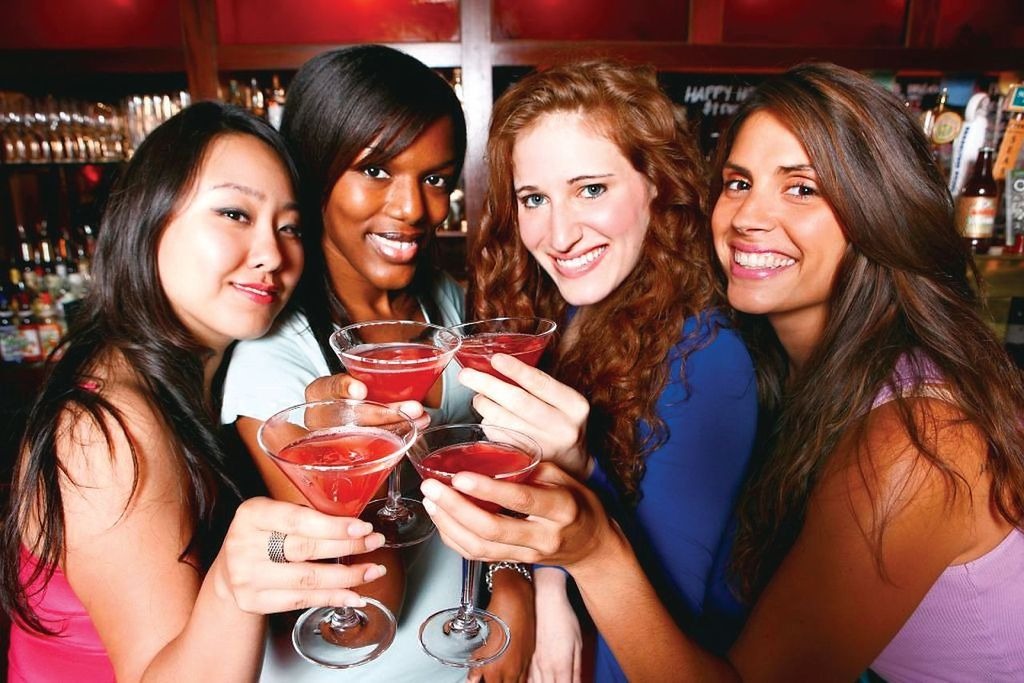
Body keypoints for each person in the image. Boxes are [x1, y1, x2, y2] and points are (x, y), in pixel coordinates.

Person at [420, 61, 1024, 681]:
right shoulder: (795, 368)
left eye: (802, 187)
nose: (747, 218)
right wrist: (532, 583)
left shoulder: (917, 436)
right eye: (738, 183)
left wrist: (587, 544)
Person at [0, 101, 391, 682]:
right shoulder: (108, 432)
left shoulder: (196, 383)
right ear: (148, 220)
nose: (272, 254)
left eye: (290, 227)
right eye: (235, 213)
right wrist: (234, 589)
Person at [220, 45, 535, 681]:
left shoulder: (453, 306)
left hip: (473, 653)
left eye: (437, 178)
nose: (415, 209)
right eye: (376, 171)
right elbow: (366, 609)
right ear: (314, 174)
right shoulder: (273, 365)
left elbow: (504, 488)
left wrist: (517, 590)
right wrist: (354, 455)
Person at [449, 59, 759, 681]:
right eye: (534, 198)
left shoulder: (710, 358)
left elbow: (665, 623)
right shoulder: (560, 313)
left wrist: (575, 470)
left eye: (591, 189)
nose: (559, 235)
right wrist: (546, 588)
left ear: (657, 185)